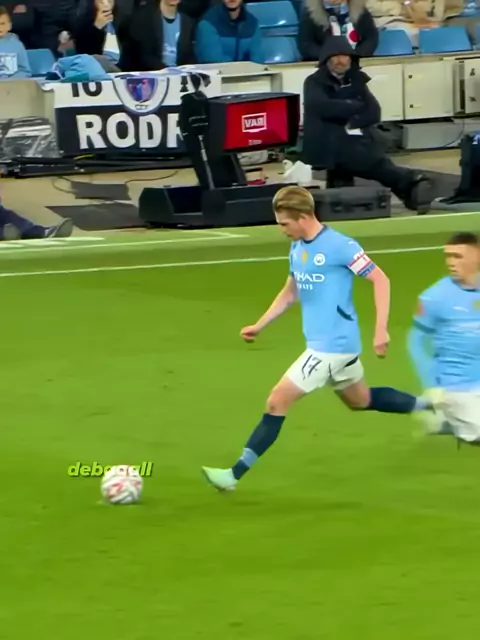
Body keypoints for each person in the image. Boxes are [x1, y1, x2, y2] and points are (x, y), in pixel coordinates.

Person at [202, 186, 432, 491]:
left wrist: (381, 328)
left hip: (331, 347)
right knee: (360, 400)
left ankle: (232, 476)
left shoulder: (340, 246)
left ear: (303, 216)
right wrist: (260, 325)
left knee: (276, 401)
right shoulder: (297, 248)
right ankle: (435, 406)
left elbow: (380, 279)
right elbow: (290, 292)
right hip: (331, 346)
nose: (281, 229)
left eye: (284, 223)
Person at [302, 36, 433, 213]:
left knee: (368, 153)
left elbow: (373, 111)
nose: (341, 60)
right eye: (336, 56)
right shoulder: (314, 82)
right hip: (326, 141)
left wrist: (350, 119)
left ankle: (407, 190)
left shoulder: (356, 80)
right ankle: (407, 181)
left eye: (345, 56)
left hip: (355, 137)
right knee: (370, 161)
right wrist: (354, 106)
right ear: (327, 59)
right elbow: (323, 107)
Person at [407, 232, 480, 445]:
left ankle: (446, 420)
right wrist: (432, 386)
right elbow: (416, 341)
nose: (450, 262)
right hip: (456, 385)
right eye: (448, 256)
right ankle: (447, 414)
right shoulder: (434, 297)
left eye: (458, 256)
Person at [299, 0, 378, 62]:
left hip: (356, 62)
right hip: (323, 65)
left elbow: (371, 39)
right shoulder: (310, 13)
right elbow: (305, 44)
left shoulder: (361, 11)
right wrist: (328, 56)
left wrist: (355, 56)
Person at [195, 0, 264, 64]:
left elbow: (258, 60)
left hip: (246, 72)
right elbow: (213, 62)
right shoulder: (208, 23)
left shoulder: (253, 23)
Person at [0, 5, 31, 78]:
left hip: (13, 83)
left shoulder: (17, 44)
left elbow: (25, 70)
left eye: (2, 23)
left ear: (9, 26)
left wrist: (11, 81)